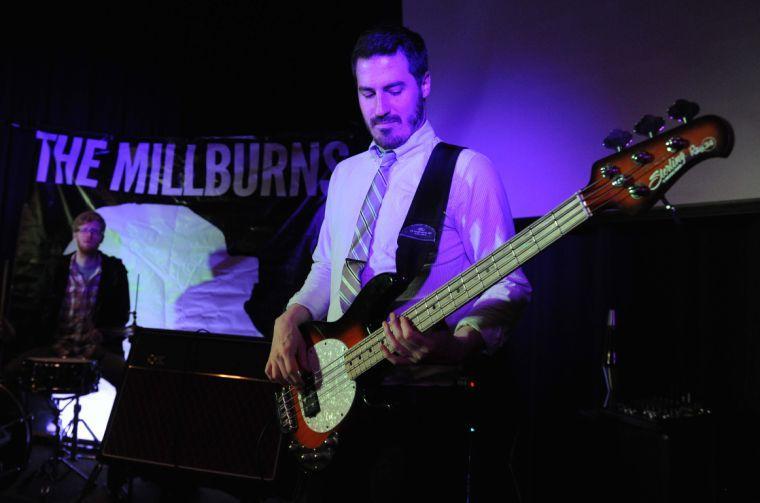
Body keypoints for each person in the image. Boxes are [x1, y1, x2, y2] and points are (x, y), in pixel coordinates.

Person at [266, 26, 531, 502]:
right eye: (367, 92)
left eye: (394, 89)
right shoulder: (346, 174)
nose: (380, 107)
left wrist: (458, 346)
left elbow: (507, 283)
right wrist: (291, 316)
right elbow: (326, 268)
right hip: (336, 389)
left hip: (422, 402)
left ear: (424, 84)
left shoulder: (467, 170)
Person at [3, 210, 130, 390]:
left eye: (95, 231)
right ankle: (37, 415)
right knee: (10, 373)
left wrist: (103, 332)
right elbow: (37, 309)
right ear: (75, 235)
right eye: (84, 230)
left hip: (96, 350)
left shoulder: (114, 271)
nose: (89, 235)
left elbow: (121, 315)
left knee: (130, 381)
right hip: (57, 346)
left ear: (101, 237)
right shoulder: (56, 268)